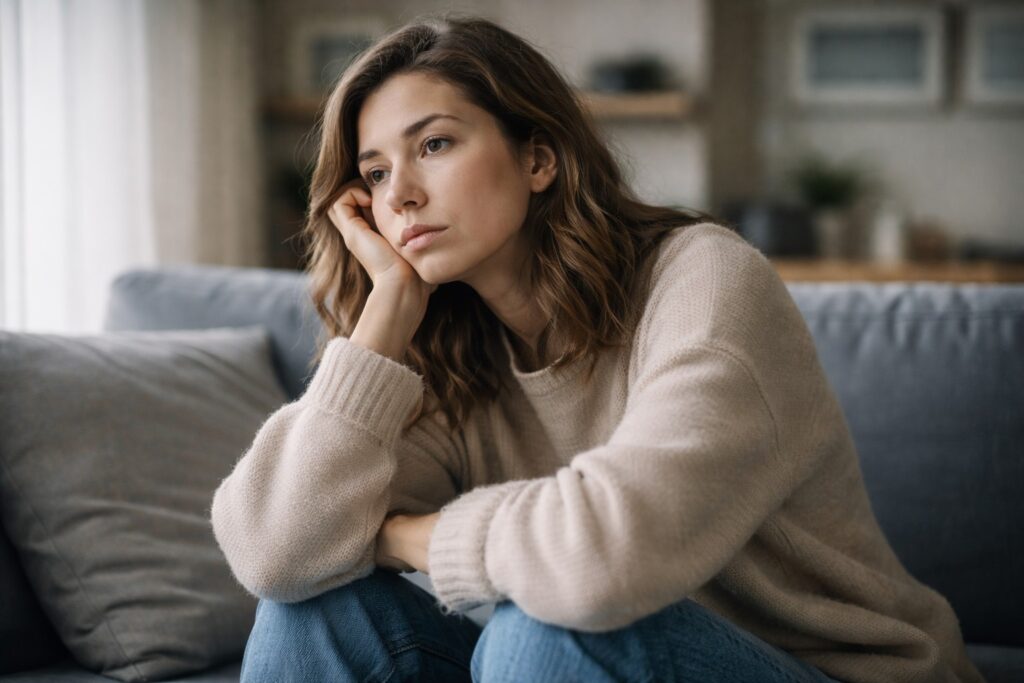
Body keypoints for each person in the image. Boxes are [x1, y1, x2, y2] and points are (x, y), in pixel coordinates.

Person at [210, 15, 983, 683]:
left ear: (538, 159)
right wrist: (382, 317)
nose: (400, 195)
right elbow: (277, 555)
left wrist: (400, 536)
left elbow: (603, 558)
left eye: (435, 144)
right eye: (374, 175)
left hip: (828, 670)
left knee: (541, 628)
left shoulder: (704, 280)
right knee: (317, 614)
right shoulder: (442, 345)